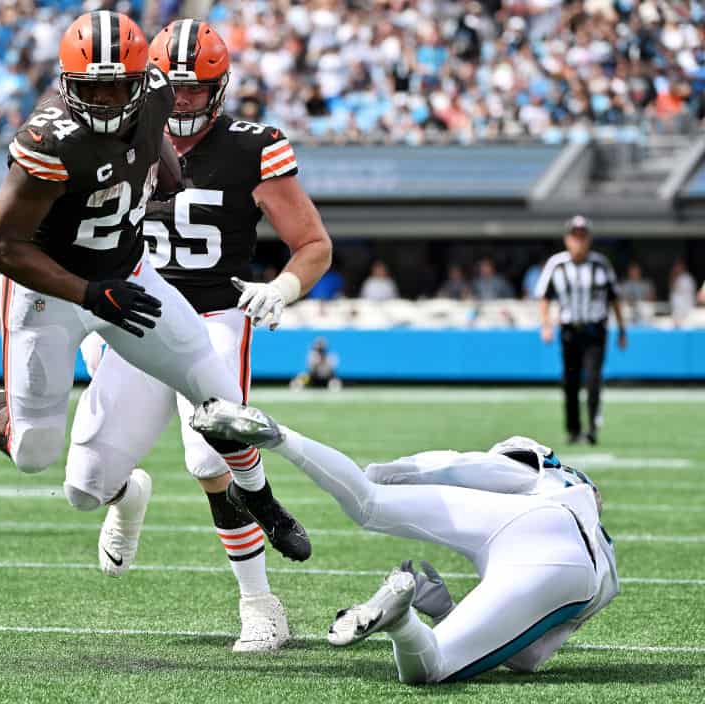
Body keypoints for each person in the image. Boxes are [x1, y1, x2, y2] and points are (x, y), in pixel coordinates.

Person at [0, 11, 310, 566]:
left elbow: (156, 145)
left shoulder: (154, 94)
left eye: (117, 85)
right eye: (91, 87)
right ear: (66, 84)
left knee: (211, 381)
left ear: (142, 80)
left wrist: (166, 180)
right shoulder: (47, 142)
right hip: (48, 291)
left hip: (126, 274)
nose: (105, 99)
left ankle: (264, 501)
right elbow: (3, 249)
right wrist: (86, 294)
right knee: (34, 452)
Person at [69, 18, 332, 652]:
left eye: (198, 88)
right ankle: (126, 493)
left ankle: (260, 603)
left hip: (213, 313)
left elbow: (313, 245)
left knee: (209, 455)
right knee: (84, 488)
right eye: (174, 88)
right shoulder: (110, 137)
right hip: (135, 316)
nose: (184, 100)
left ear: (220, 87)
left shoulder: (253, 147)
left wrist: (284, 288)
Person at [191, 399, 618, 685]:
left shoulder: (529, 468)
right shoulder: (603, 550)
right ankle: (401, 621)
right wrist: (444, 609)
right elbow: (527, 658)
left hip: (524, 528)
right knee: (431, 668)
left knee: (369, 503)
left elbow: (450, 467)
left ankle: (280, 436)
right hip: (580, 575)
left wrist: (379, 474)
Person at [535, 216, 626, 445]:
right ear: (567, 239)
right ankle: (573, 429)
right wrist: (545, 325)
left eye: (582, 237)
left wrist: (623, 329)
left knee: (594, 380)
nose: (578, 242)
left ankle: (593, 428)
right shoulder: (557, 264)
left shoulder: (600, 264)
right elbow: (544, 298)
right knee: (570, 381)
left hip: (595, 330)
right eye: (575, 237)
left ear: (589, 240)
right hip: (569, 330)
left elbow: (614, 298)